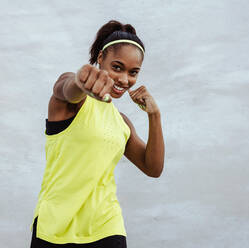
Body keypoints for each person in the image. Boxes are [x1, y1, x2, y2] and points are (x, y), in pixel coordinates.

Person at [30, 20, 165, 248]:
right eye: (117, 67)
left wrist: (155, 115)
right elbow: (64, 89)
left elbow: (152, 168)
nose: (124, 79)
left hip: (106, 227)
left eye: (133, 73)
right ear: (100, 58)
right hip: (54, 227)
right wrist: (81, 82)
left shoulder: (122, 123)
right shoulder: (73, 100)